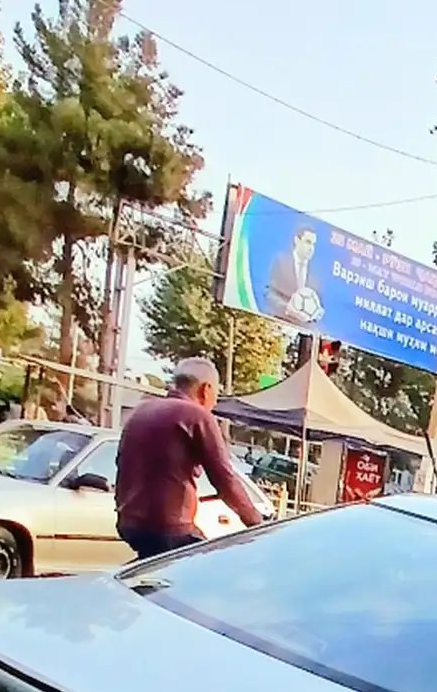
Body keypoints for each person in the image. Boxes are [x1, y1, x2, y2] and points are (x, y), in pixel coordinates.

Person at [116, 358, 265, 561]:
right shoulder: (197, 416)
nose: (214, 401)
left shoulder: (141, 411)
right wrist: (258, 525)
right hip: (169, 528)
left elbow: (122, 461)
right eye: (216, 395)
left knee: (154, 572)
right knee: (209, 568)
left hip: (129, 524)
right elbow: (225, 479)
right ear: (206, 389)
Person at [265, 226, 322, 324]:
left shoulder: (316, 274)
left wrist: (317, 313)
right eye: (308, 242)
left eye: (313, 244)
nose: (311, 248)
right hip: (278, 321)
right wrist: (288, 308)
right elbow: (268, 293)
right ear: (297, 240)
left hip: (304, 327)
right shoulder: (281, 261)